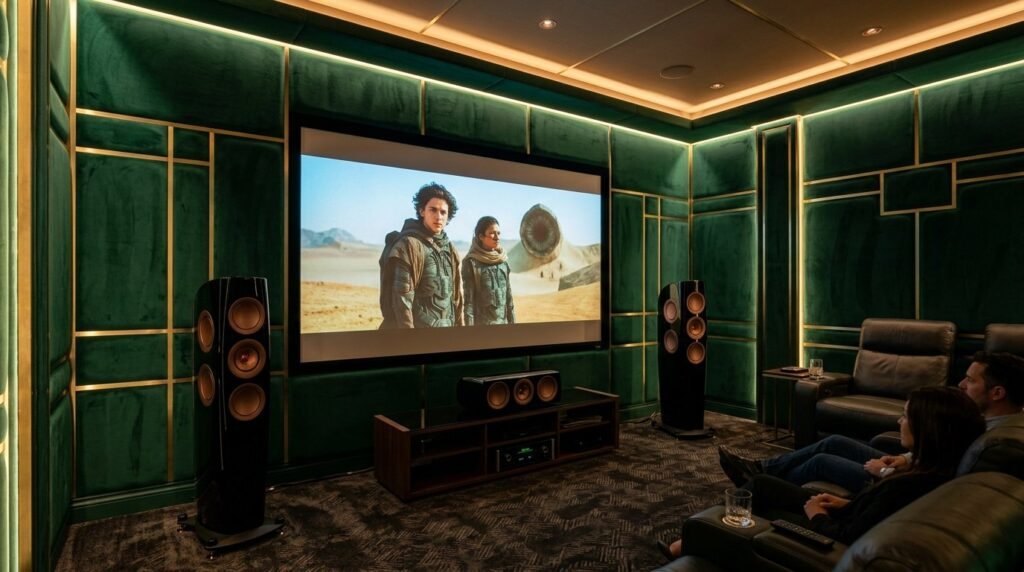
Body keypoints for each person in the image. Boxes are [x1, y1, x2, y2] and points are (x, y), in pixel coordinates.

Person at [660, 386, 986, 560]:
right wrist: (844, 504)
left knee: (812, 467)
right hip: (844, 511)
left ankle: (699, 540)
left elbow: (849, 538)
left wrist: (817, 514)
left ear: (928, 430)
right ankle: (757, 472)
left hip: (826, 534)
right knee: (760, 485)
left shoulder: (908, 485)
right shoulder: (930, 470)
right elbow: (869, 514)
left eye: (905, 417)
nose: (899, 422)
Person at [718, 351, 1024, 494]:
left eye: (970, 381)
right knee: (833, 441)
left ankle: (759, 489)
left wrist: (889, 470)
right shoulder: (992, 421)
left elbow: (937, 473)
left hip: (902, 485)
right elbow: (937, 452)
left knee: (821, 461)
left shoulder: (991, 437)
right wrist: (903, 459)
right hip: (908, 467)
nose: (961, 385)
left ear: (997, 392)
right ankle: (761, 472)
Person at [379, 183, 463, 328]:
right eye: (433, 210)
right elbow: (402, 301)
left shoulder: (451, 249)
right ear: (422, 211)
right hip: (419, 337)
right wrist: (411, 341)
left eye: (443, 212)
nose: (438, 217)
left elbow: (456, 298)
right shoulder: (409, 246)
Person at [462, 216, 515, 326]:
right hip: (482, 331)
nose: (497, 237)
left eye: (499, 233)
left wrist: (513, 327)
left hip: (504, 328)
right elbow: (469, 305)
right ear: (481, 236)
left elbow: (509, 301)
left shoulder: (503, 261)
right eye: (492, 233)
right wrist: (469, 334)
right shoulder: (471, 263)